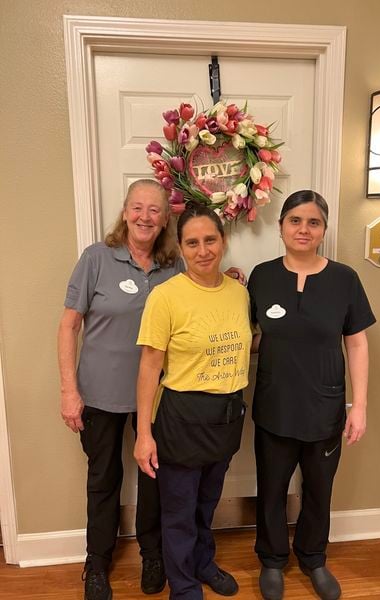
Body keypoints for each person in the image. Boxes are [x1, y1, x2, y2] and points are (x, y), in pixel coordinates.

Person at [58, 180, 244, 600]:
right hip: (101, 393)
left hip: (159, 399)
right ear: (125, 212)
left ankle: (153, 555)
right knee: (103, 479)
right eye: (137, 208)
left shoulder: (174, 266)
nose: (145, 216)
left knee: (155, 481)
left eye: (155, 210)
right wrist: (69, 389)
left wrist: (229, 279)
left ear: (164, 221)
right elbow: (68, 326)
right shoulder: (96, 258)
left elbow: (201, 292)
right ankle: (97, 563)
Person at [247, 190, 376, 600]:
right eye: (295, 220)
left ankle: (313, 557)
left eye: (313, 222)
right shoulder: (262, 277)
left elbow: (357, 342)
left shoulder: (344, 279)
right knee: (271, 488)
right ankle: (272, 560)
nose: (304, 229)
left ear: (323, 230)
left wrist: (359, 406)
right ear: (281, 226)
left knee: (319, 490)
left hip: (324, 407)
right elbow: (248, 335)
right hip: (275, 405)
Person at [134, 204, 252, 600]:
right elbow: (149, 367)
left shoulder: (239, 293)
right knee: (180, 512)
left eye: (210, 240)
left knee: (206, 503)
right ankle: (183, 587)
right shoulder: (165, 297)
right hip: (181, 418)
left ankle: (203, 563)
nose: (203, 251)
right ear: (181, 248)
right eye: (192, 243)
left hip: (226, 416)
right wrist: (144, 435)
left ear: (224, 241)